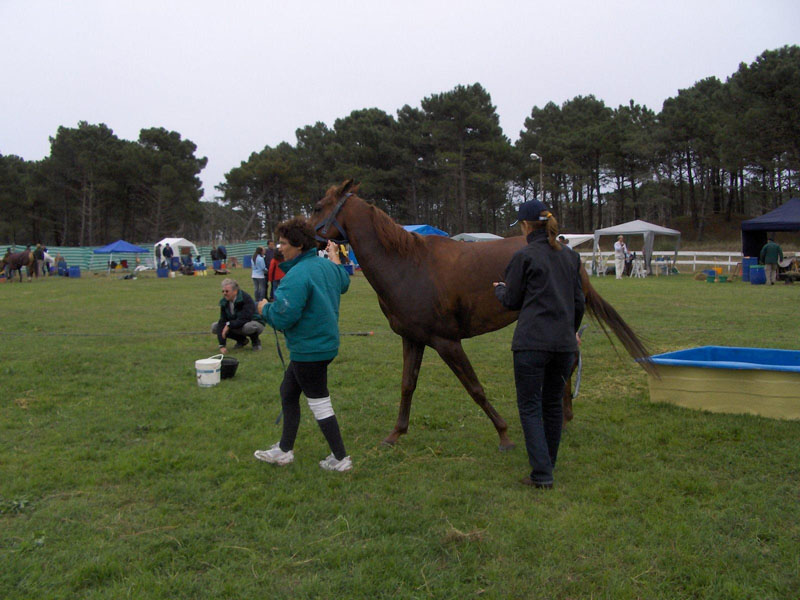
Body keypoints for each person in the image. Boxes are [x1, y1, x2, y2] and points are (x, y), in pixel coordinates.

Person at [493, 199, 585, 490]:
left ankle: (542, 473)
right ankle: (548, 464)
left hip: (531, 344)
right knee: (553, 405)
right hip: (563, 345)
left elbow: (512, 301)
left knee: (530, 407)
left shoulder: (525, 256)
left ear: (525, 226)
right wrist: (572, 332)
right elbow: (579, 302)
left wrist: (499, 290)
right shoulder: (571, 257)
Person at [253, 217, 352, 472]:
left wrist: (265, 309)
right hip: (321, 346)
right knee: (288, 391)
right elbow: (344, 282)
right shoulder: (325, 267)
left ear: (298, 245)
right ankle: (284, 450)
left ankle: (340, 458)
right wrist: (335, 258)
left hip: (310, 350)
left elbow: (284, 316)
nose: (279, 248)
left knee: (319, 403)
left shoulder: (296, 275)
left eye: (283, 243)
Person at [211, 278, 265, 353]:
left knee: (248, 327)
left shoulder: (246, 298)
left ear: (235, 291)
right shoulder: (224, 302)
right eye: (223, 291)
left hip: (254, 322)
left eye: (227, 291)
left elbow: (245, 318)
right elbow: (222, 320)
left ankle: (255, 342)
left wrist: (229, 325)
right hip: (237, 323)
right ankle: (241, 340)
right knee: (215, 327)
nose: (224, 293)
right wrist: (222, 345)